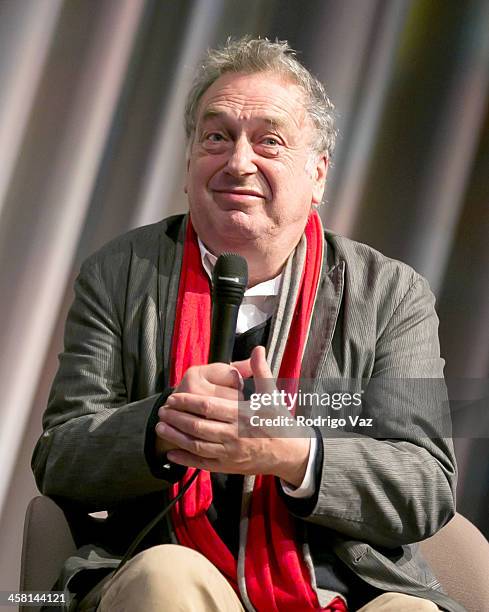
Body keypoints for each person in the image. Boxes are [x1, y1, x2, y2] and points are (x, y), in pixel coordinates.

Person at [32, 37, 463, 612]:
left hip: (342, 586)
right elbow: (59, 454)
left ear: (318, 176)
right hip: (164, 561)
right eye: (216, 137)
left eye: (269, 141)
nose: (238, 161)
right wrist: (162, 426)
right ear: (188, 165)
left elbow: (425, 484)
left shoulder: (391, 294)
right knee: (166, 578)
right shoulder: (119, 272)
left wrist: (295, 453)